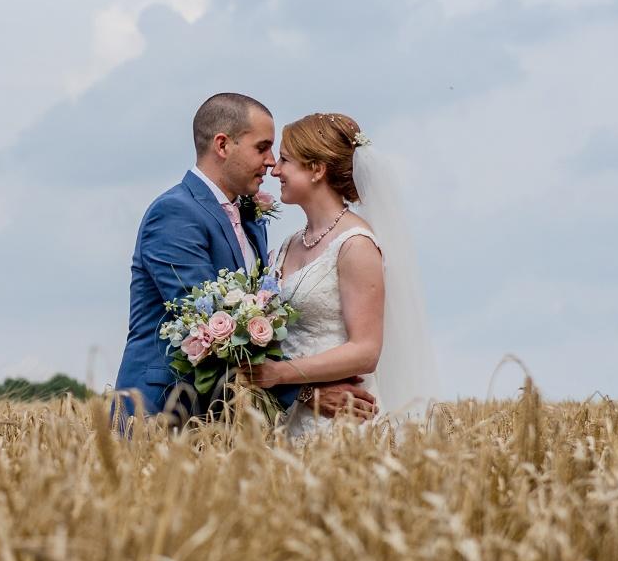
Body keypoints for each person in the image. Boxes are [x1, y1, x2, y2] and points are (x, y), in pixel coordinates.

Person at [114, 94, 375, 425]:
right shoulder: (176, 213)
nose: (271, 162)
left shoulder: (252, 218)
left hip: (225, 416)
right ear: (223, 145)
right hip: (164, 411)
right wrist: (307, 391)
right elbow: (207, 328)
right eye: (262, 148)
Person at [241, 113, 439, 437]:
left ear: (317, 170)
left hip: (339, 425)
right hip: (290, 416)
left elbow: (366, 350)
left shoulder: (356, 245)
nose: (275, 170)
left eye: (286, 160)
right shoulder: (289, 244)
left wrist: (279, 374)